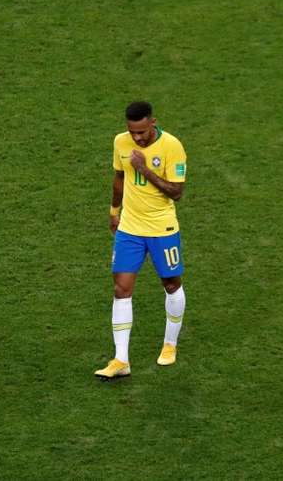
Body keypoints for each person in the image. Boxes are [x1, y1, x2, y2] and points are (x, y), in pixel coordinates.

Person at [95, 101, 188, 379]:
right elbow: (119, 177)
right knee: (121, 289)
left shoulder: (172, 146)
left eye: (142, 132)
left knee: (171, 284)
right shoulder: (120, 142)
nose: (136, 137)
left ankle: (170, 344)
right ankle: (121, 360)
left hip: (162, 228)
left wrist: (144, 169)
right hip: (130, 228)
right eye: (132, 132)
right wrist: (114, 211)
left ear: (153, 123)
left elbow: (177, 192)